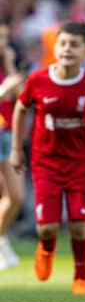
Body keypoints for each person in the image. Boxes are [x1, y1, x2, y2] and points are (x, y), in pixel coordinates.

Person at [9, 22, 85, 295]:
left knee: (79, 226)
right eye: (63, 43)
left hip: (80, 163)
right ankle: (45, 249)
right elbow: (20, 110)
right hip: (45, 162)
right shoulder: (37, 80)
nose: (67, 49)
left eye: (74, 44)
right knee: (47, 228)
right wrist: (17, 149)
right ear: (54, 47)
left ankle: (81, 275)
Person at [0, 20, 25, 270]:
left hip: (6, 134)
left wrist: (9, 65)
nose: (3, 44)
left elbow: (20, 101)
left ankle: (1, 238)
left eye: (6, 39)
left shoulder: (5, 67)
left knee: (16, 196)